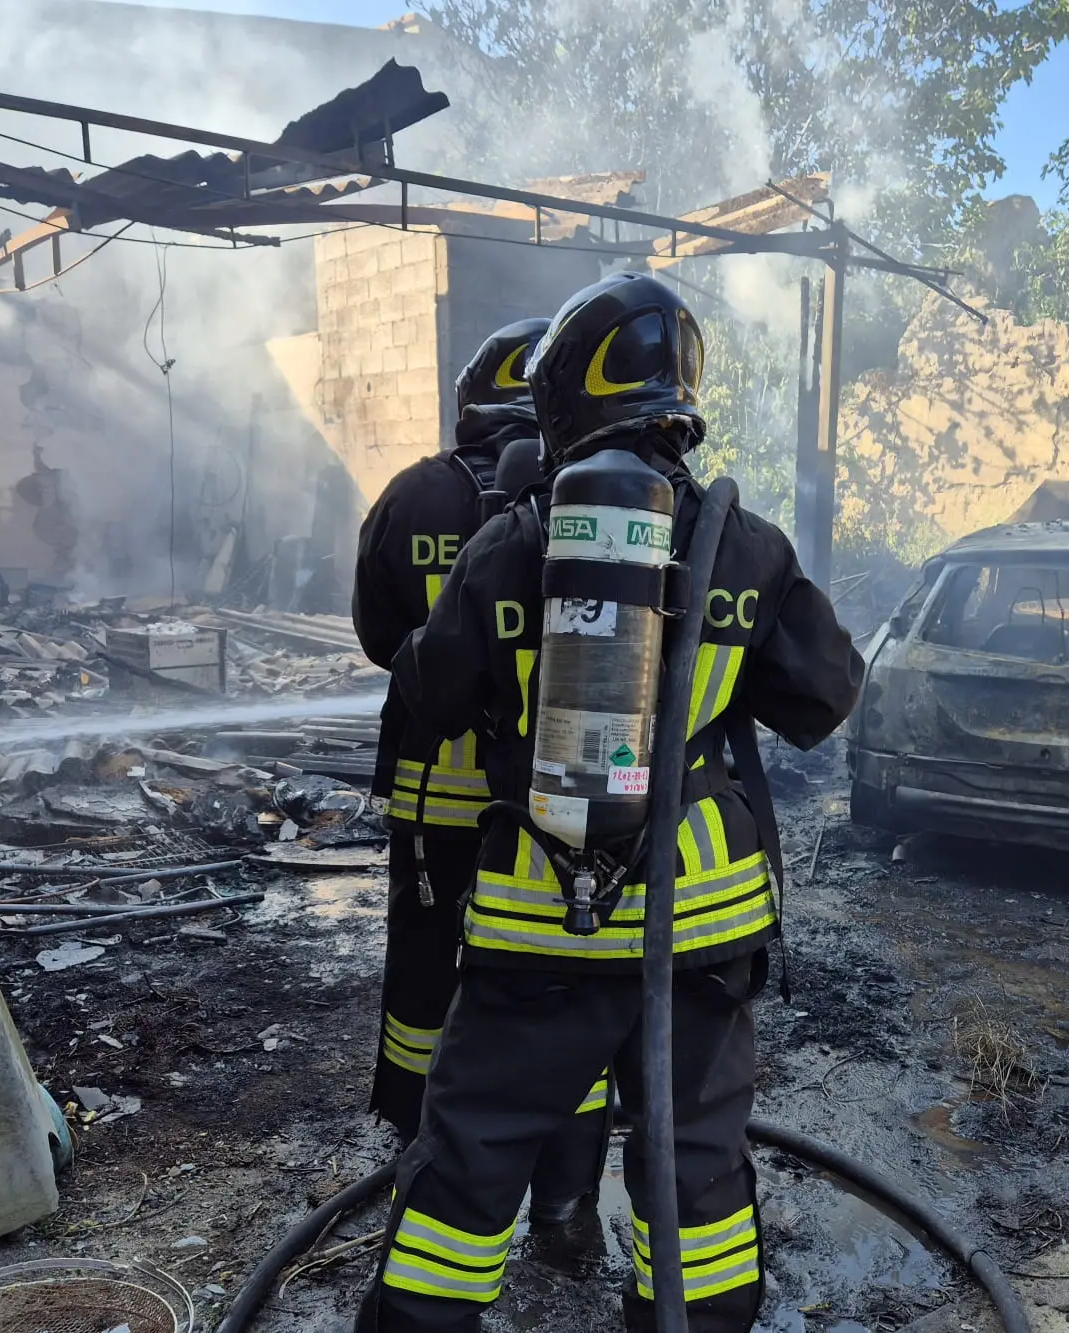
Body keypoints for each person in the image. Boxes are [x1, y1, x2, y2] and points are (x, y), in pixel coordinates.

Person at [357, 274, 864, 1332]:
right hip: (700, 926)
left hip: (542, 919)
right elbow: (824, 695)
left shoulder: (515, 538)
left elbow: (427, 694)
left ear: (562, 407)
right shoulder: (748, 546)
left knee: (473, 1158)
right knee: (699, 1170)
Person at [351, 318, 610, 1221]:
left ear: (468, 405)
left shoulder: (409, 497)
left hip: (433, 800)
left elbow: (385, 641)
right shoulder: (585, 508)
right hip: (543, 810)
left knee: (425, 976)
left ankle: (420, 1143)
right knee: (549, 986)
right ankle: (562, 1179)